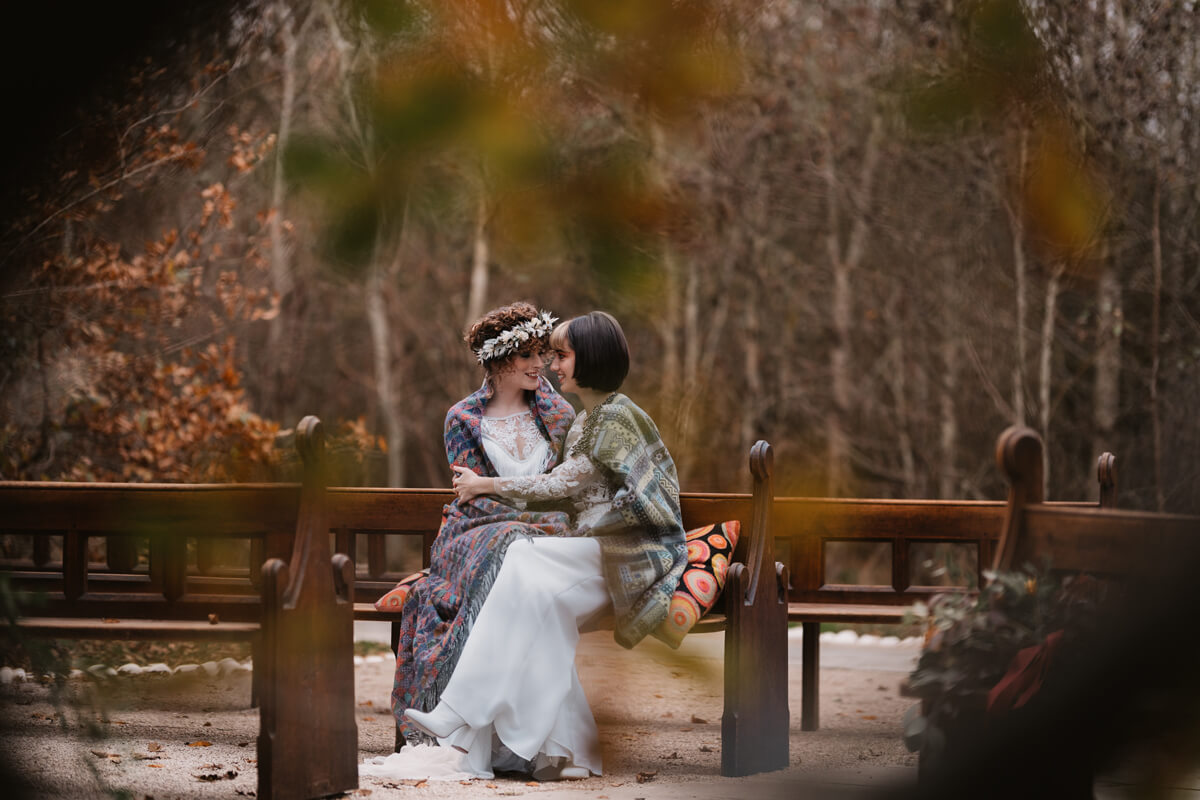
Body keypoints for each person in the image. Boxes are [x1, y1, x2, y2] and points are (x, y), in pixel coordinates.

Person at [402, 311, 688, 781]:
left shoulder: (612, 418)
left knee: (519, 560)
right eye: (543, 354)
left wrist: (486, 484)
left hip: (624, 555)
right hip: (591, 550)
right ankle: (567, 753)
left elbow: (562, 484)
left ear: (589, 359)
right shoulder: (586, 421)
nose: (552, 364)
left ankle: (457, 713)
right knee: (535, 599)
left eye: (560, 354)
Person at [385, 302, 576, 765]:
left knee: (522, 565)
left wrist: (525, 518)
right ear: (497, 361)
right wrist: (517, 520)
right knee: (508, 551)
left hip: (545, 536)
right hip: (475, 533)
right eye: (527, 355)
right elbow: (472, 498)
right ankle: (491, 740)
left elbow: (565, 489)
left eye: (542, 354)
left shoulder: (558, 413)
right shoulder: (462, 419)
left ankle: (522, 744)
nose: (539, 364)